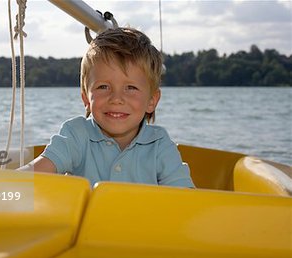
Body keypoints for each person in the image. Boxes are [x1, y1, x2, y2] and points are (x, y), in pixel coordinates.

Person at [20, 27, 194, 188]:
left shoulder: (160, 144)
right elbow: (32, 175)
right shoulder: (76, 135)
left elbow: (187, 200)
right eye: (103, 87)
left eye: (131, 88)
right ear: (86, 98)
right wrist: (0, 189)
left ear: (151, 101)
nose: (116, 99)